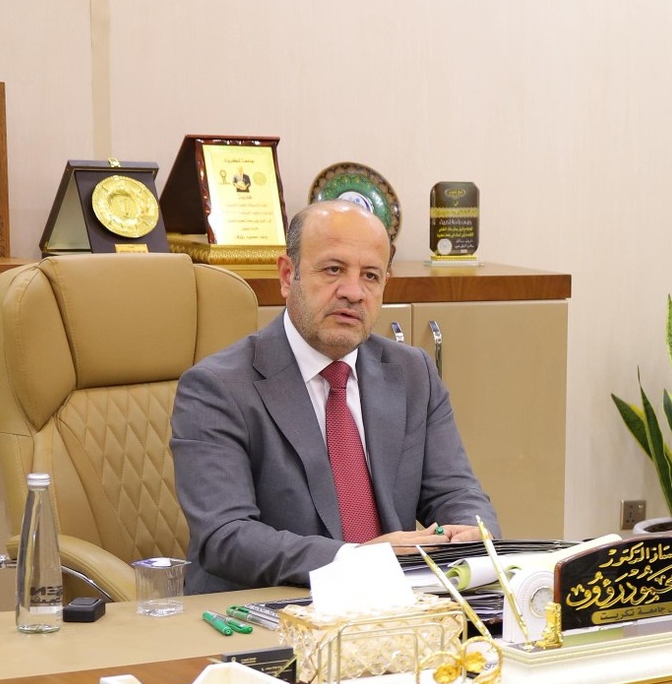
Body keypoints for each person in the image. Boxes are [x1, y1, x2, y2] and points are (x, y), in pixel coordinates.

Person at [172, 200, 497, 592]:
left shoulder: (413, 373)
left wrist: (471, 532)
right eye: (333, 270)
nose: (353, 292)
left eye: (370, 276)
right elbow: (226, 536)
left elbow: (456, 492)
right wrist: (357, 560)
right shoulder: (217, 387)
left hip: (396, 606)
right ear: (287, 275)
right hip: (270, 610)